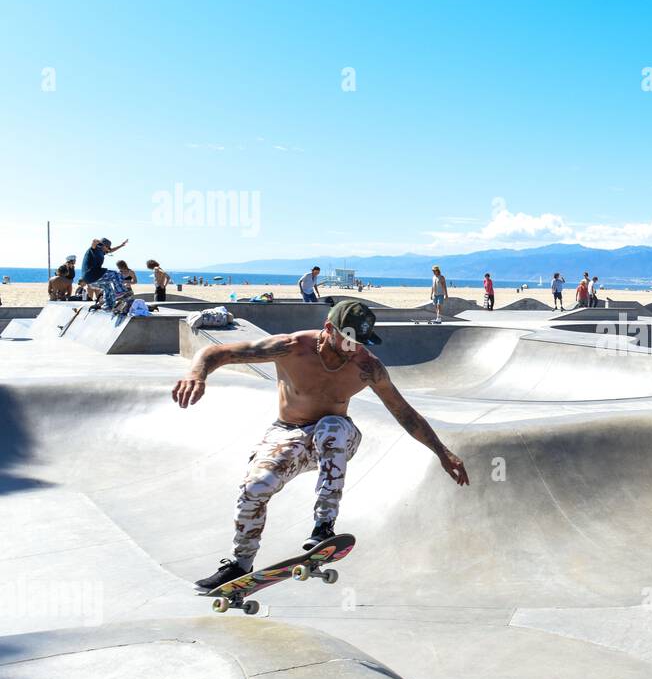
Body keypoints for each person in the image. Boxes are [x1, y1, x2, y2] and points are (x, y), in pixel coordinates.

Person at [177, 299, 470, 590]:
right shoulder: (290, 347)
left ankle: (323, 526)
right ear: (329, 329)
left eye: (360, 343)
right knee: (254, 488)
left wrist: (442, 453)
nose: (354, 350)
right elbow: (216, 352)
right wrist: (196, 374)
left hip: (338, 438)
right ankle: (240, 564)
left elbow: (404, 412)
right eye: (348, 341)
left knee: (332, 426)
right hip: (287, 434)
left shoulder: (368, 367)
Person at [79, 237, 129, 309]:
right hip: (92, 274)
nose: (108, 249)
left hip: (90, 281)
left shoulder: (102, 251)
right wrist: (95, 242)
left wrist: (121, 245)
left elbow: (111, 250)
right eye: (107, 247)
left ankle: (109, 305)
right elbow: (93, 245)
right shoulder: (95, 249)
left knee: (107, 286)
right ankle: (120, 292)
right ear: (103, 246)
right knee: (115, 274)